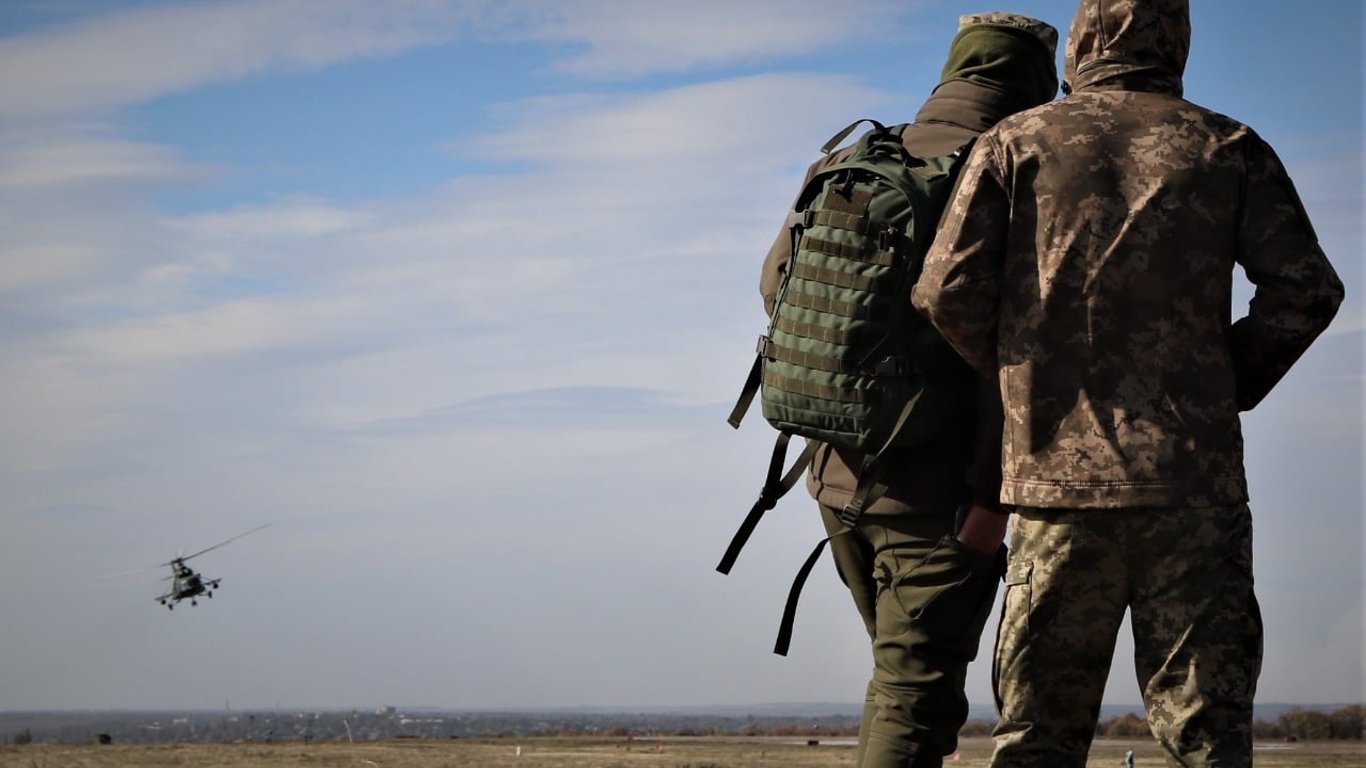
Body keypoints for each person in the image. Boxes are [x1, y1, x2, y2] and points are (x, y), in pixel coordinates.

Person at [910, 1, 1345, 767]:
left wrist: (1029, 377)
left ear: (1081, 41)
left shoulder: (1017, 142)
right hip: (1192, 487)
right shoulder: (1228, 146)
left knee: (1037, 738)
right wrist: (1223, 381)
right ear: (1176, 41)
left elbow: (946, 291)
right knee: (1208, 739)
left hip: (1054, 489)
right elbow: (1306, 291)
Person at [759, 13, 1059, 768]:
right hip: (941, 499)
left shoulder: (853, 157)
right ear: (1034, 83)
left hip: (832, 477)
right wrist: (990, 500)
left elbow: (774, 290)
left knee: (895, 683)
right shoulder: (1009, 174)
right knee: (914, 697)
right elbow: (1016, 355)